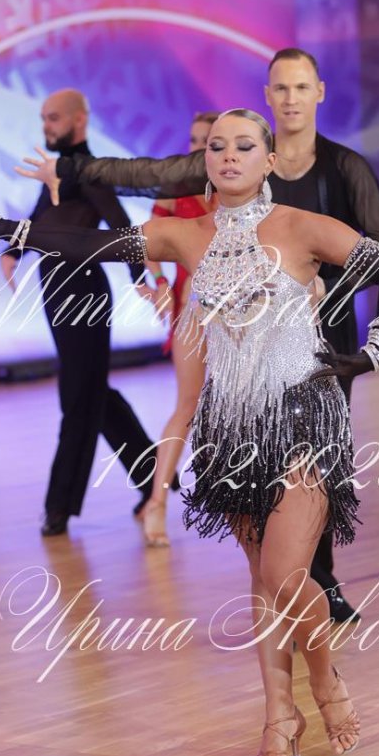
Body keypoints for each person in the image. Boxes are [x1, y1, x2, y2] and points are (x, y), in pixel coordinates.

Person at [0, 108, 379, 756]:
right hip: (232, 427)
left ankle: (325, 681)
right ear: (205, 161)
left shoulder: (303, 227)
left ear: (269, 160)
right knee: (261, 579)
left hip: (304, 416)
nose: (228, 155)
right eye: (218, 146)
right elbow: (90, 245)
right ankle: (279, 715)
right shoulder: (185, 234)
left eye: (244, 145)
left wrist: (375, 349)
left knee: (285, 573)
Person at [15, 49, 379, 622]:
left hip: (320, 344)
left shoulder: (344, 168)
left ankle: (317, 582)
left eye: (301, 87)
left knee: (311, 470)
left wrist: (349, 309)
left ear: (318, 92)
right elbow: (147, 174)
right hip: (234, 339)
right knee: (235, 467)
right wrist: (74, 171)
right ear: (268, 96)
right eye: (281, 88)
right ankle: (276, 591)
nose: (291, 98)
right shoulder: (230, 159)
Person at [4, 89, 159, 537]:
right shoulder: (60, 170)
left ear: (78, 120)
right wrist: (14, 250)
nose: (46, 126)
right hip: (57, 291)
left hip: (83, 293)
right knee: (93, 393)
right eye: (43, 118)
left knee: (77, 396)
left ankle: (59, 506)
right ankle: (153, 476)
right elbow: (41, 218)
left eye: (53, 118)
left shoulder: (90, 170)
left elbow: (121, 225)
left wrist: (139, 277)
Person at [140, 111, 218, 547]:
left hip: (240, 311)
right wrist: (159, 284)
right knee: (187, 404)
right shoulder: (173, 187)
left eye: (208, 140)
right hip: (191, 306)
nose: (198, 147)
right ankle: (156, 503)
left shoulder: (240, 188)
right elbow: (148, 244)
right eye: (194, 139)